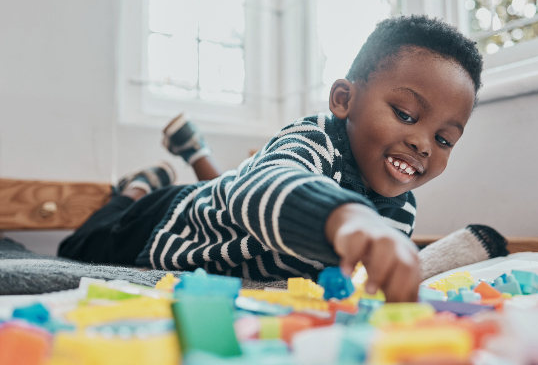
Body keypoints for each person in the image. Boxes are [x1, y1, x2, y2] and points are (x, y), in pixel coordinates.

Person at [59, 15, 484, 302]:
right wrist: (348, 218)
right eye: (405, 115)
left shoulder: (402, 210)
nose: (423, 144)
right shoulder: (315, 140)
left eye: (445, 139)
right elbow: (266, 185)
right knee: (76, 247)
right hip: (161, 226)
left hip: (236, 249)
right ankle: (138, 186)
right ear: (344, 100)